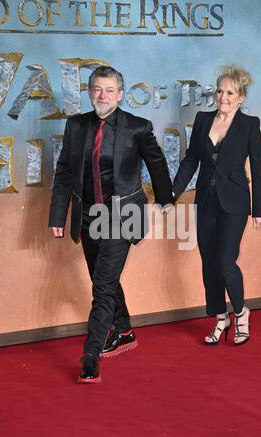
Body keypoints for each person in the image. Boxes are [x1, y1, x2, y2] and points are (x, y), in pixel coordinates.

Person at [49, 66, 173, 383]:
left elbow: (156, 163)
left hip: (123, 215)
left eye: (109, 90)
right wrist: (57, 215)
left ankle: (90, 357)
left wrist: (165, 199)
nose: (102, 96)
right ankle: (126, 330)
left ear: (120, 94)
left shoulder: (137, 127)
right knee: (102, 277)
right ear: (89, 92)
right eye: (97, 89)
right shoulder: (76, 126)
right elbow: (64, 171)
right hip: (89, 214)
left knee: (102, 286)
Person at [173, 65, 261, 346]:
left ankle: (240, 312)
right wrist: (172, 191)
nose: (223, 97)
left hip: (235, 202)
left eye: (230, 92)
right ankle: (219, 317)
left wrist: (260, 209)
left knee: (226, 261)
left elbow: (258, 168)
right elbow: (191, 160)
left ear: (240, 97)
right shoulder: (202, 120)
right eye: (220, 90)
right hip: (206, 202)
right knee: (209, 263)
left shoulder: (250, 124)